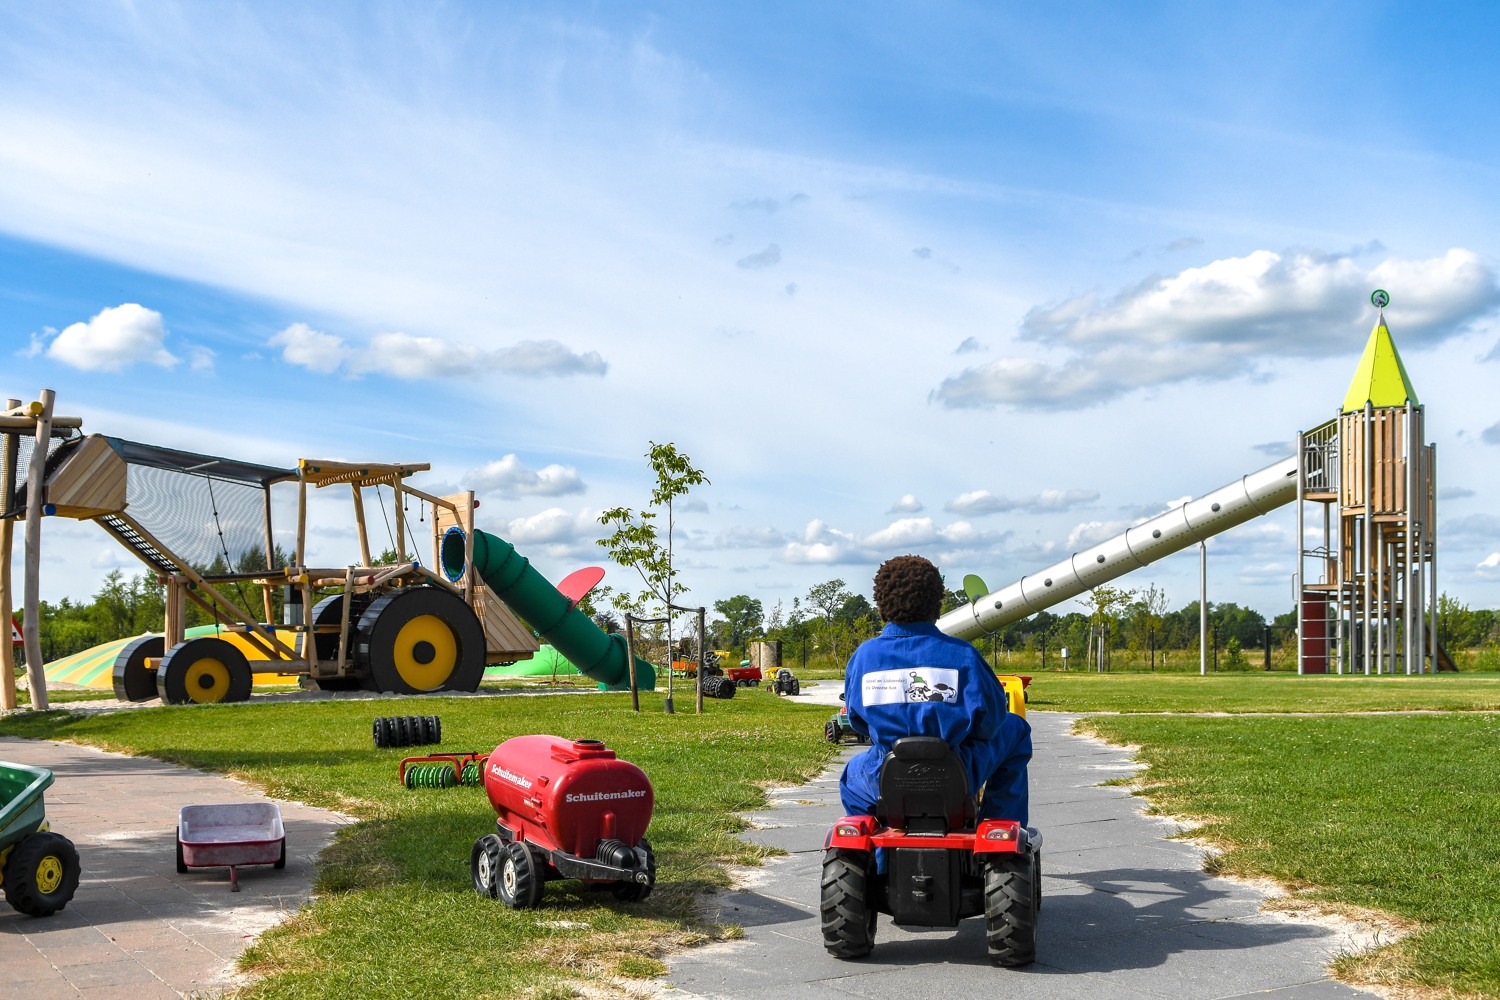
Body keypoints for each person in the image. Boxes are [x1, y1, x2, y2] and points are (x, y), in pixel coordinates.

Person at [839, 554, 1032, 825]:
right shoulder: (964, 655)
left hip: (886, 773)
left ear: (881, 605)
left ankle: (876, 850)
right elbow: (990, 723)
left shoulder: (864, 657)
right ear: (937, 605)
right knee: (1016, 729)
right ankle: (999, 829)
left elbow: (858, 721)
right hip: (957, 771)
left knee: (851, 778)